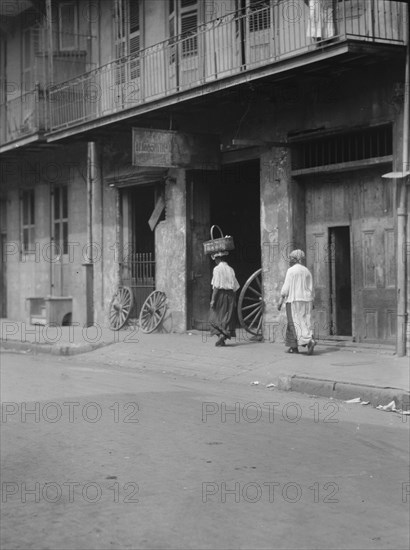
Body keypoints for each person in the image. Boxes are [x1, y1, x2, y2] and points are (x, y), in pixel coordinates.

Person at [277, 249, 316, 354]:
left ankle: (308, 341)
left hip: (294, 300)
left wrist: (280, 300)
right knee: (305, 322)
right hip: (307, 300)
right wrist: (313, 300)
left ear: (295, 259)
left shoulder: (291, 271)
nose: (289, 260)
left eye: (291, 258)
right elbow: (311, 288)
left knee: (294, 323)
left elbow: (286, 287)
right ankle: (294, 346)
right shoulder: (307, 271)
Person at [209, 251, 240, 346]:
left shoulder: (217, 269)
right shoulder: (231, 269)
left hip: (221, 295)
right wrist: (234, 299)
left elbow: (216, 286)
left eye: (215, 259)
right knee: (227, 317)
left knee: (215, 317)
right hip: (230, 295)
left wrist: (213, 299)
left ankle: (221, 335)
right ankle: (223, 337)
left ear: (218, 259)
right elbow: (235, 286)